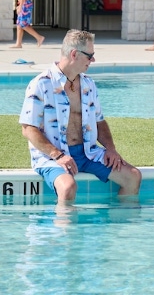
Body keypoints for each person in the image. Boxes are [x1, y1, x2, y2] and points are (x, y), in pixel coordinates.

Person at [19, 29, 141, 204]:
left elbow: (99, 121)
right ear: (74, 54)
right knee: (68, 188)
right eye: (90, 55)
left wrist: (111, 149)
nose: (93, 60)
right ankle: (67, 231)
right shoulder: (41, 84)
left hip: (87, 152)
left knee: (133, 177)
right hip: (52, 156)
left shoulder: (89, 84)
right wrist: (58, 155)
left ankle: (116, 224)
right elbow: (28, 129)